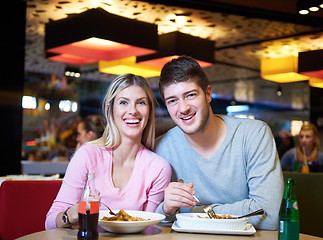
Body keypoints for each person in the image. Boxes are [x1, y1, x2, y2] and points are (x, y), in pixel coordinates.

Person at [154, 56, 284, 230]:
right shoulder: (161, 147)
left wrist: (196, 212)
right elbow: (154, 217)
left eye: (190, 95)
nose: (183, 108)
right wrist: (167, 209)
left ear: (208, 94)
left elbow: (269, 215)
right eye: (172, 100)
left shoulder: (254, 134)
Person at [45, 74, 172, 229]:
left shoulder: (158, 167)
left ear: (149, 111)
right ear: (109, 109)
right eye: (123, 102)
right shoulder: (87, 155)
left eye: (141, 103)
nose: (133, 111)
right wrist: (70, 215)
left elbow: (149, 227)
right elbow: (49, 224)